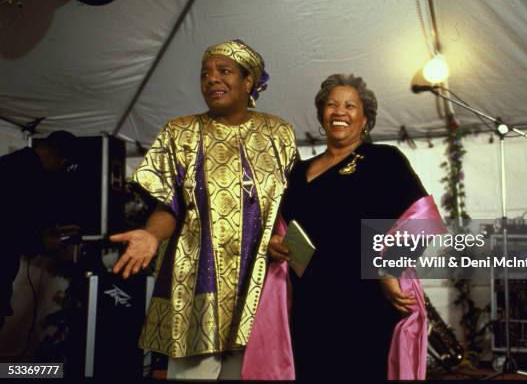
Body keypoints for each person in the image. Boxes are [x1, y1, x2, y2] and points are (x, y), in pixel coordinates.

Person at [110, 40, 297, 380]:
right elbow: (169, 205)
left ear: (249, 81)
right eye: (205, 74)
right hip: (197, 286)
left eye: (224, 71)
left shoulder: (279, 133)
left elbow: (292, 206)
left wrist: (286, 244)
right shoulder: (178, 133)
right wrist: (151, 235)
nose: (212, 79)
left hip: (259, 288)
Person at [268, 74, 441, 380]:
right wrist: (275, 243)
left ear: (364, 119)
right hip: (310, 302)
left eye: (350, 105)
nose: (339, 111)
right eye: (331, 104)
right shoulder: (297, 171)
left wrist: (389, 271)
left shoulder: (384, 160)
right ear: (322, 114)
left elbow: (421, 218)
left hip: (364, 301)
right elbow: (282, 228)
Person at [0, 130, 80, 331]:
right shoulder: (28, 175)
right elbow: (13, 226)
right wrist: (43, 242)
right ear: (63, 161)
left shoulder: (9, 163)